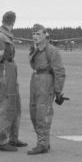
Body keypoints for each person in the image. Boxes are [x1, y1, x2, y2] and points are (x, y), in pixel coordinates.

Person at [0, 11, 27, 152]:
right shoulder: (0, 37)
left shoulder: (5, 35)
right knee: (5, 106)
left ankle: (13, 138)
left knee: (15, 105)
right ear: (13, 21)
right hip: (4, 71)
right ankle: (2, 142)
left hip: (9, 69)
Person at [28, 23, 66, 154]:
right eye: (33, 34)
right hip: (36, 80)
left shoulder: (51, 50)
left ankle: (42, 144)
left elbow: (59, 71)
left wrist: (58, 91)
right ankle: (44, 141)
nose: (35, 36)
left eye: (38, 34)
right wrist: (33, 51)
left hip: (46, 81)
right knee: (33, 112)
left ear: (45, 35)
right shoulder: (36, 49)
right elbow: (33, 65)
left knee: (42, 113)